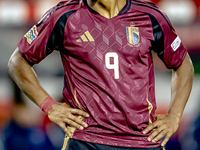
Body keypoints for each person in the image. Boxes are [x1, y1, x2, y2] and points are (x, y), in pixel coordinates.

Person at [8, 0, 194, 150]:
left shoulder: (150, 16)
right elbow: (18, 61)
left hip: (142, 140)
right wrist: (50, 106)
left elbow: (183, 64)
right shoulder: (64, 16)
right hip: (86, 139)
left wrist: (174, 116)